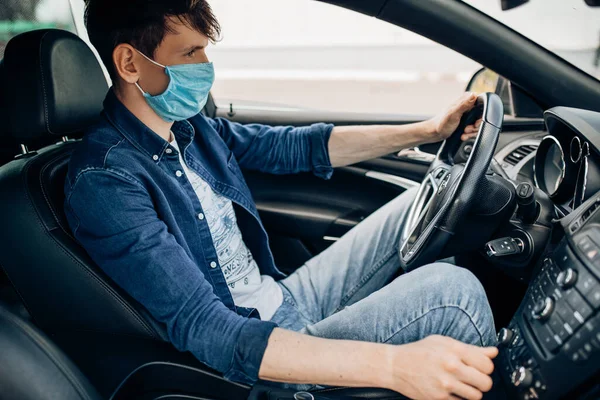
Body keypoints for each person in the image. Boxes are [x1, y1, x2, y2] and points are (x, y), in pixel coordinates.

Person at [64, 1, 499, 399]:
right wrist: (394, 365)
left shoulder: (188, 128)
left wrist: (426, 131)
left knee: (421, 204)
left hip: (282, 296)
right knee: (453, 292)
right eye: (190, 54)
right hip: (258, 358)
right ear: (130, 63)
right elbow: (208, 328)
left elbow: (296, 147)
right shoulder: (105, 181)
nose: (206, 66)